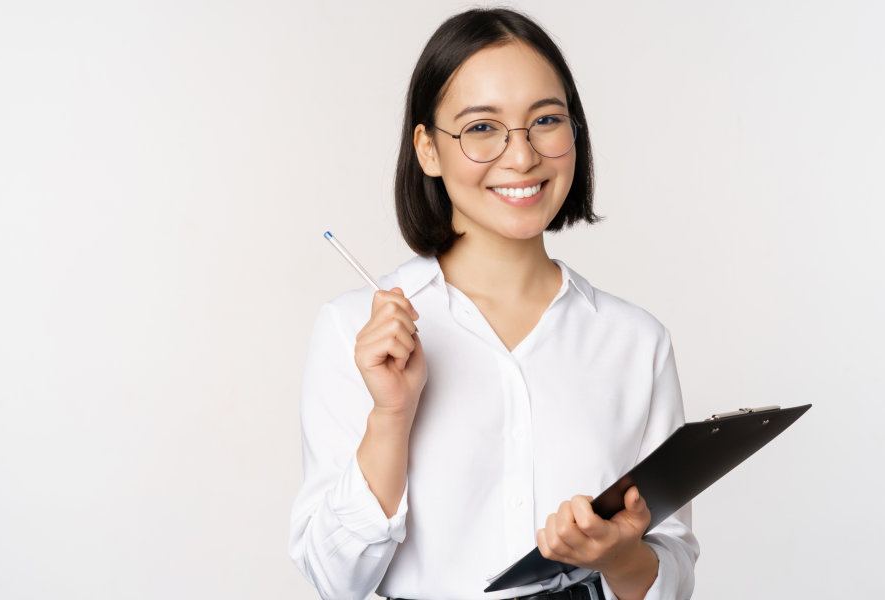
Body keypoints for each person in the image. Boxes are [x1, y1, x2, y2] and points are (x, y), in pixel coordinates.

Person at [288, 8, 697, 600]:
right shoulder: (356, 330)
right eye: (482, 127)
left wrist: (621, 556)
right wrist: (391, 418)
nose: (523, 156)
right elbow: (334, 581)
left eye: (547, 120)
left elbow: (675, 570)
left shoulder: (636, 341)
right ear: (428, 149)